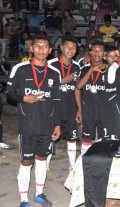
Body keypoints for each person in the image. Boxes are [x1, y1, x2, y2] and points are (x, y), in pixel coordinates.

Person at [6, 34, 61, 207]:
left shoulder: (54, 73)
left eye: (45, 47)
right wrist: (24, 98)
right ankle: (23, 199)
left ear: (50, 50)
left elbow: (57, 101)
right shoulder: (20, 69)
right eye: (38, 46)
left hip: (47, 125)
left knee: (42, 158)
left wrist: (58, 124)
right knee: (26, 161)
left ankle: (39, 194)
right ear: (31, 48)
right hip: (27, 125)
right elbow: (9, 93)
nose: (41, 50)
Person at [48, 35, 81, 171]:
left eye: (73, 47)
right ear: (61, 47)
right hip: (53, 108)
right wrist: (62, 80)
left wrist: (79, 109)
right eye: (67, 46)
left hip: (70, 108)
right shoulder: (51, 65)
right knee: (50, 137)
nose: (70, 50)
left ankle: (72, 167)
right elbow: (45, 86)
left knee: (72, 138)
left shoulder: (77, 67)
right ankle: (45, 166)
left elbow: (77, 89)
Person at [76, 40, 108, 154]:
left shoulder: (109, 69)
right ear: (90, 52)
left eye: (100, 51)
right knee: (87, 139)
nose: (97, 53)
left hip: (104, 111)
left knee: (104, 139)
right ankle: (83, 163)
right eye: (94, 50)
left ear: (104, 53)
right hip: (88, 110)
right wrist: (91, 70)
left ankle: (102, 163)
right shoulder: (85, 69)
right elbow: (79, 86)